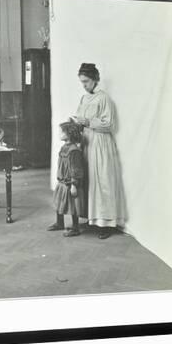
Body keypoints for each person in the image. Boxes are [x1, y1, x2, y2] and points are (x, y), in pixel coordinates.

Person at [70, 63, 127, 239]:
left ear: (95, 79)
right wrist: (75, 123)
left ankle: (105, 224)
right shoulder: (84, 98)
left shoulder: (104, 99)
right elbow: (81, 118)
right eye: (82, 82)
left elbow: (109, 124)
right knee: (88, 179)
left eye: (86, 81)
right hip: (87, 142)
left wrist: (87, 122)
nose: (84, 85)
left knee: (102, 180)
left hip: (101, 143)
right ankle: (92, 218)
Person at [47, 121, 85, 237]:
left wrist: (74, 184)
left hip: (70, 183)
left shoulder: (74, 150)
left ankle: (75, 227)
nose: (60, 134)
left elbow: (76, 168)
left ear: (69, 134)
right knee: (59, 202)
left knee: (73, 206)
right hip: (62, 182)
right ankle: (60, 223)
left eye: (62, 132)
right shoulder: (65, 147)